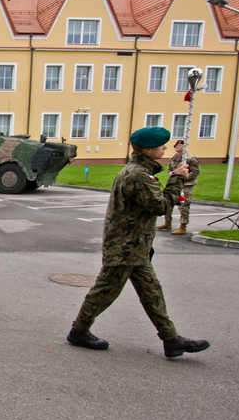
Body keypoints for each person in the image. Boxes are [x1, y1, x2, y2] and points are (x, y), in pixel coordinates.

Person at [67, 127, 210, 358]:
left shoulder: (140, 172)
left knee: (152, 293)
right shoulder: (138, 175)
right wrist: (178, 180)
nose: (165, 148)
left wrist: (175, 179)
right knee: (104, 292)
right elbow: (159, 206)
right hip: (125, 248)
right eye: (161, 145)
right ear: (147, 149)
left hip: (134, 247)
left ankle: (172, 340)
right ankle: (79, 331)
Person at [156, 140, 200, 235]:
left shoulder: (190, 158)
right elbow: (170, 170)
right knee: (168, 201)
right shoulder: (173, 158)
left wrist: (185, 176)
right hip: (175, 183)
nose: (177, 147)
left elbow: (196, 172)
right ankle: (167, 222)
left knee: (184, 205)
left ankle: (183, 226)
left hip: (186, 184)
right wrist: (172, 174)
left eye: (180, 145)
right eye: (176, 145)